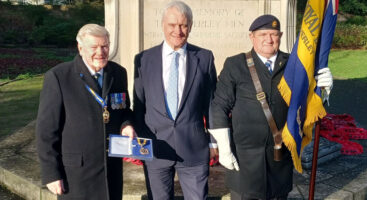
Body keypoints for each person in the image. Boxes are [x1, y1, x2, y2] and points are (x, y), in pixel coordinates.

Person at [208, 15, 333, 200]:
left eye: (274, 34)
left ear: (280, 36)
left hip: (279, 158)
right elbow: (218, 105)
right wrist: (223, 147)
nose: (269, 39)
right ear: (252, 37)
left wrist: (323, 91)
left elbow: (306, 102)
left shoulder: (294, 64)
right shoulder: (235, 64)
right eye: (263, 34)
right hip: (245, 159)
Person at [36, 24, 135, 200]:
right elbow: (46, 131)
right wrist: (51, 173)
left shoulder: (118, 73)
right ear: (80, 48)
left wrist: (126, 125)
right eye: (94, 47)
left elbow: (124, 109)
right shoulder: (59, 77)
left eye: (105, 46)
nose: (101, 52)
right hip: (76, 175)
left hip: (110, 171)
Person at [132, 1, 217, 199]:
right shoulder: (144, 59)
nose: (178, 31)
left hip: (194, 149)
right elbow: (139, 105)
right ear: (163, 25)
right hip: (155, 149)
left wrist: (213, 142)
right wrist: (140, 144)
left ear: (190, 26)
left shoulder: (204, 58)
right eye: (172, 25)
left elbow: (211, 104)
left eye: (183, 25)